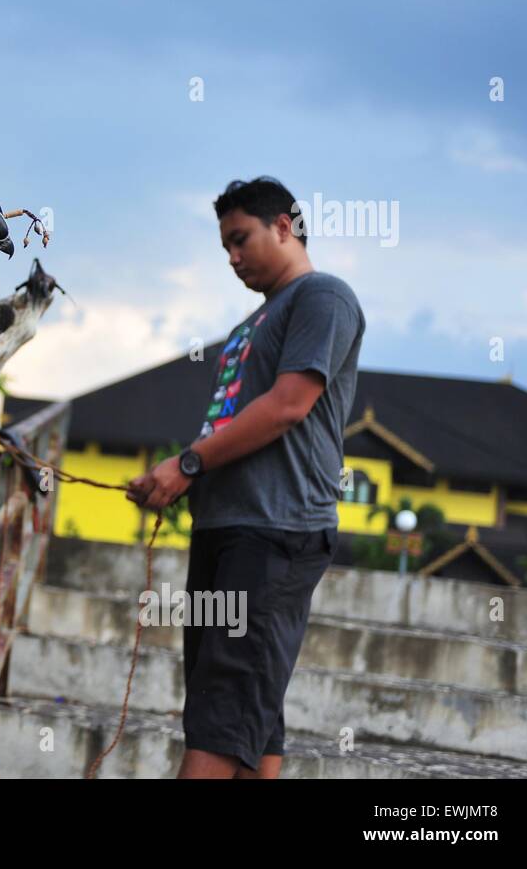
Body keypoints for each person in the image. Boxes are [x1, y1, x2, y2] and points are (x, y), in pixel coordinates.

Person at [127, 176, 366, 779]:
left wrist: (187, 463)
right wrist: (182, 483)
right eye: (225, 248)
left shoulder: (324, 298)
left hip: (277, 531)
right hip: (226, 527)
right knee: (244, 709)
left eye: (241, 240)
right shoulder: (248, 327)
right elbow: (233, 426)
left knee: (222, 706)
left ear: (283, 226)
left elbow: (289, 404)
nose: (232, 259)